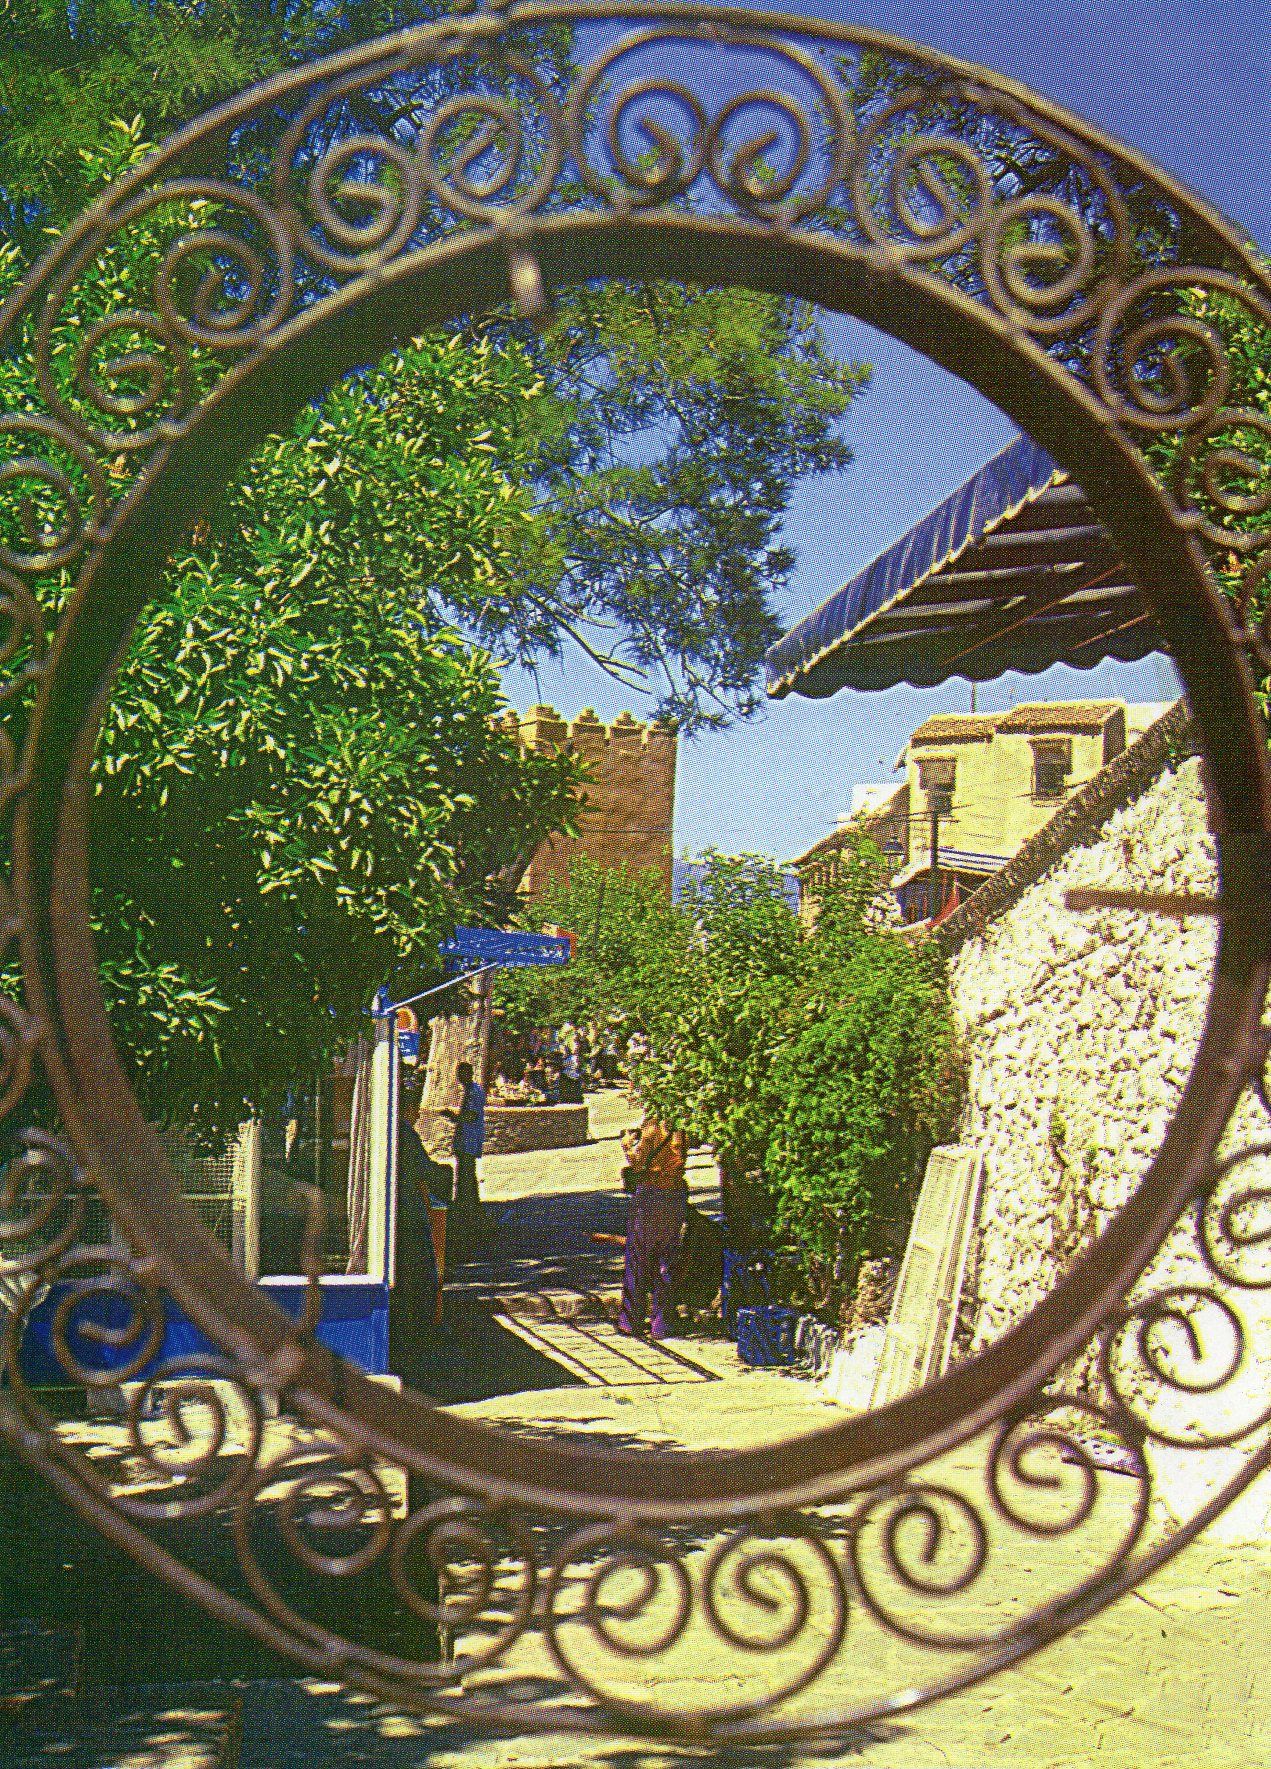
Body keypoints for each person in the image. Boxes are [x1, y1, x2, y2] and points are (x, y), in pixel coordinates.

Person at [617, 1114, 688, 1340]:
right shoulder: (679, 1128)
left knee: (638, 1260)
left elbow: (639, 1163)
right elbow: (679, 1161)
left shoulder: (652, 1129)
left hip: (650, 1198)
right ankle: (661, 1323)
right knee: (666, 1261)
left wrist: (627, 1146)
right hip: (673, 1197)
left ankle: (631, 1321)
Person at [388, 1085, 440, 1392]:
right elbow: (425, 1174)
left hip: (402, 1214)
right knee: (418, 1278)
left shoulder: (399, 1134)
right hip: (409, 1216)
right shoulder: (406, 1136)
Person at [443, 1060, 487, 1251]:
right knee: (465, 1175)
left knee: (466, 1175)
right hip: (465, 1140)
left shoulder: (474, 1092)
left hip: (469, 1139)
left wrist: (454, 1117)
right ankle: (468, 1208)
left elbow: (471, 1116)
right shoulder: (471, 1090)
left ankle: (469, 1212)